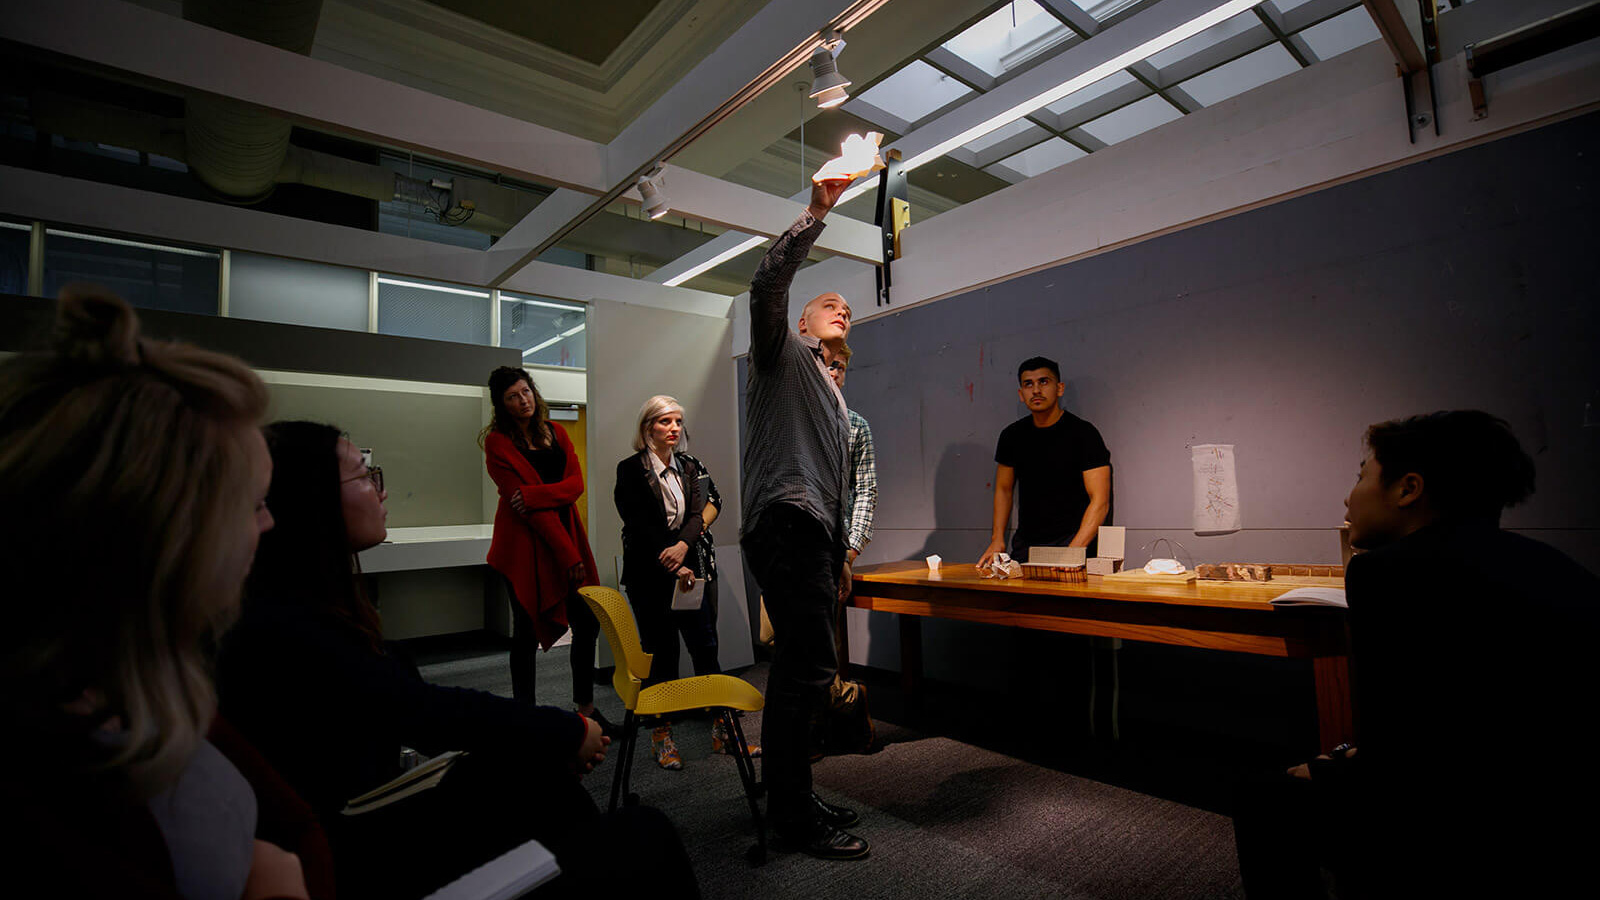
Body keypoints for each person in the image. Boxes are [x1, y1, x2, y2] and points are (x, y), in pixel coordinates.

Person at [220, 420, 698, 900]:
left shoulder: (294, 607)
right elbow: (426, 711)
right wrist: (563, 731)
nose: (381, 491)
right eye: (364, 476)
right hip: (357, 845)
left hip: (364, 815)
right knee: (643, 831)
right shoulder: (291, 624)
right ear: (312, 500)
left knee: (547, 787)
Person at [0, 289, 310, 899]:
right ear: (171, 536)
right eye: (251, 506)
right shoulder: (48, 787)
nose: (268, 525)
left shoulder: (140, 680)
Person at [1233, 410, 1600, 898]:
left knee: (1264, 797)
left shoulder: (1387, 573)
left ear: (1408, 489)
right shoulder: (1554, 564)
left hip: (1460, 819)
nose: (1348, 496)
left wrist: (1332, 767)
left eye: (1361, 476)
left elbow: (1402, 748)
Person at [740, 170, 869, 859]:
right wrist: (816, 212)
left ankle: (793, 792)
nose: (841, 307)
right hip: (785, 522)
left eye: (847, 307)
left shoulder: (833, 391)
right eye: (828, 303)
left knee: (802, 669)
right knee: (806, 672)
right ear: (800, 323)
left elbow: (841, 478)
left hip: (813, 533)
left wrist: (841, 554)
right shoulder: (779, 354)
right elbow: (765, 287)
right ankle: (790, 813)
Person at [614, 394, 755, 769]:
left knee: (706, 649)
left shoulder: (690, 466)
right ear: (648, 428)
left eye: (677, 421)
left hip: (690, 571)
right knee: (662, 656)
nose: (673, 428)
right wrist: (672, 560)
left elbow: (700, 512)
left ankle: (723, 733)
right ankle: (662, 737)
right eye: (665, 422)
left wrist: (681, 547)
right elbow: (640, 524)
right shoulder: (630, 469)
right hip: (651, 575)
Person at [481, 366, 613, 734]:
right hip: (523, 546)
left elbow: (575, 486)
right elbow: (526, 511)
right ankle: (526, 717)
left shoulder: (555, 431)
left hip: (565, 535)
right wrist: (567, 554)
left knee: (586, 622)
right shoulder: (497, 443)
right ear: (501, 404)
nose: (522, 401)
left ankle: (585, 710)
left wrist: (536, 495)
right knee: (525, 632)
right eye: (512, 396)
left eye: (526, 392)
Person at [978, 356, 1111, 566]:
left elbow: (1100, 501)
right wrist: (997, 540)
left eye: (1044, 382)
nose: (1036, 390)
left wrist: (1075, 551)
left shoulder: (1084, 434)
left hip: (1073, 542)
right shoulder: (1012, 436)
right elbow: (1003, 489)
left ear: (1059, 388)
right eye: (1028, 384)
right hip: (1026, 545)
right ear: (1021, 394)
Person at [830, 344, 877, 593]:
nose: (835, 373)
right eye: (829, 365)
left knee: (833, 626)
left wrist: (850, 551)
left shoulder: (856, 426)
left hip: (839, 545)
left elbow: (866, 491)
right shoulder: (795, 420)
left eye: (841, 368)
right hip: (795, 547)